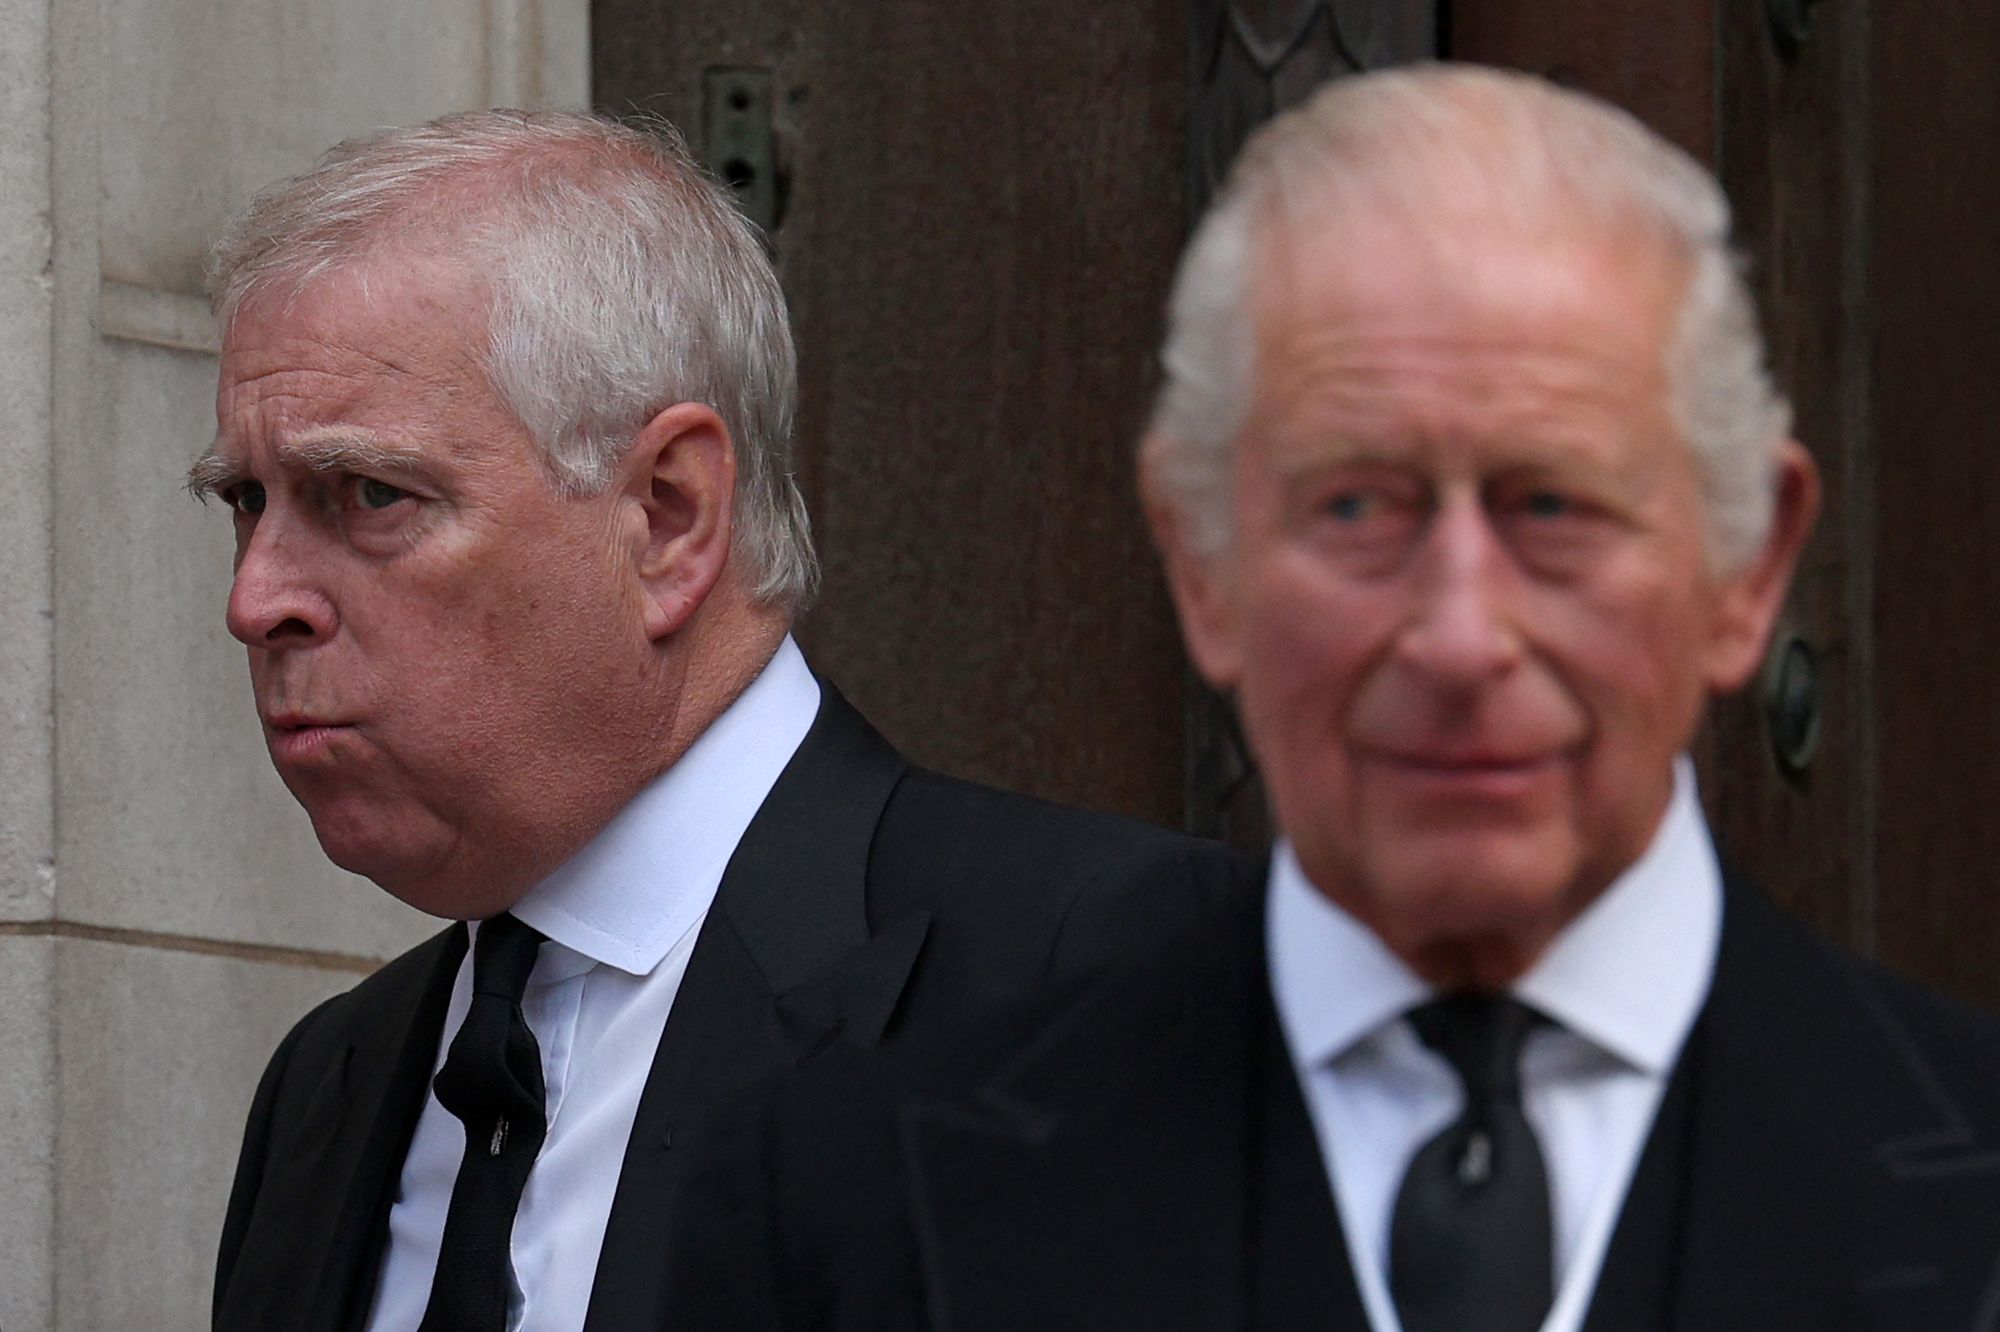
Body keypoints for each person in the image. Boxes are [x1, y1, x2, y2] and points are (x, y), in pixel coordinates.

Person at [662, 65, 2000, 1332]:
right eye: (1356, 506)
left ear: (1749, 569)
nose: (1460, 636)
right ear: (1202, 565)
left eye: (1556, 506)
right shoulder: (846, 1213)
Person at [199, 109, 1239, 1332]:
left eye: (369, 493)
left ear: (668, 515)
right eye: (247, 503)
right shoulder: (332, 1087)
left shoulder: (1097, 980)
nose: (255, 599)